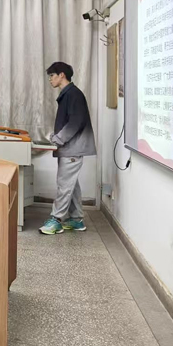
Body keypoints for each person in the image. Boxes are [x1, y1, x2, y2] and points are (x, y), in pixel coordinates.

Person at [40, 62, 97, 235]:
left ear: (62, 75)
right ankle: (77, 219)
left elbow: (75, 122)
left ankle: (56, 219)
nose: (50, 79)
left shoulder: (73, 94)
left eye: (52, 75)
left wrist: (58, 138)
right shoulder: (68, 94)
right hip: (70, 147)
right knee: (71, 184)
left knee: (64, 185)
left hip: (73, 148)